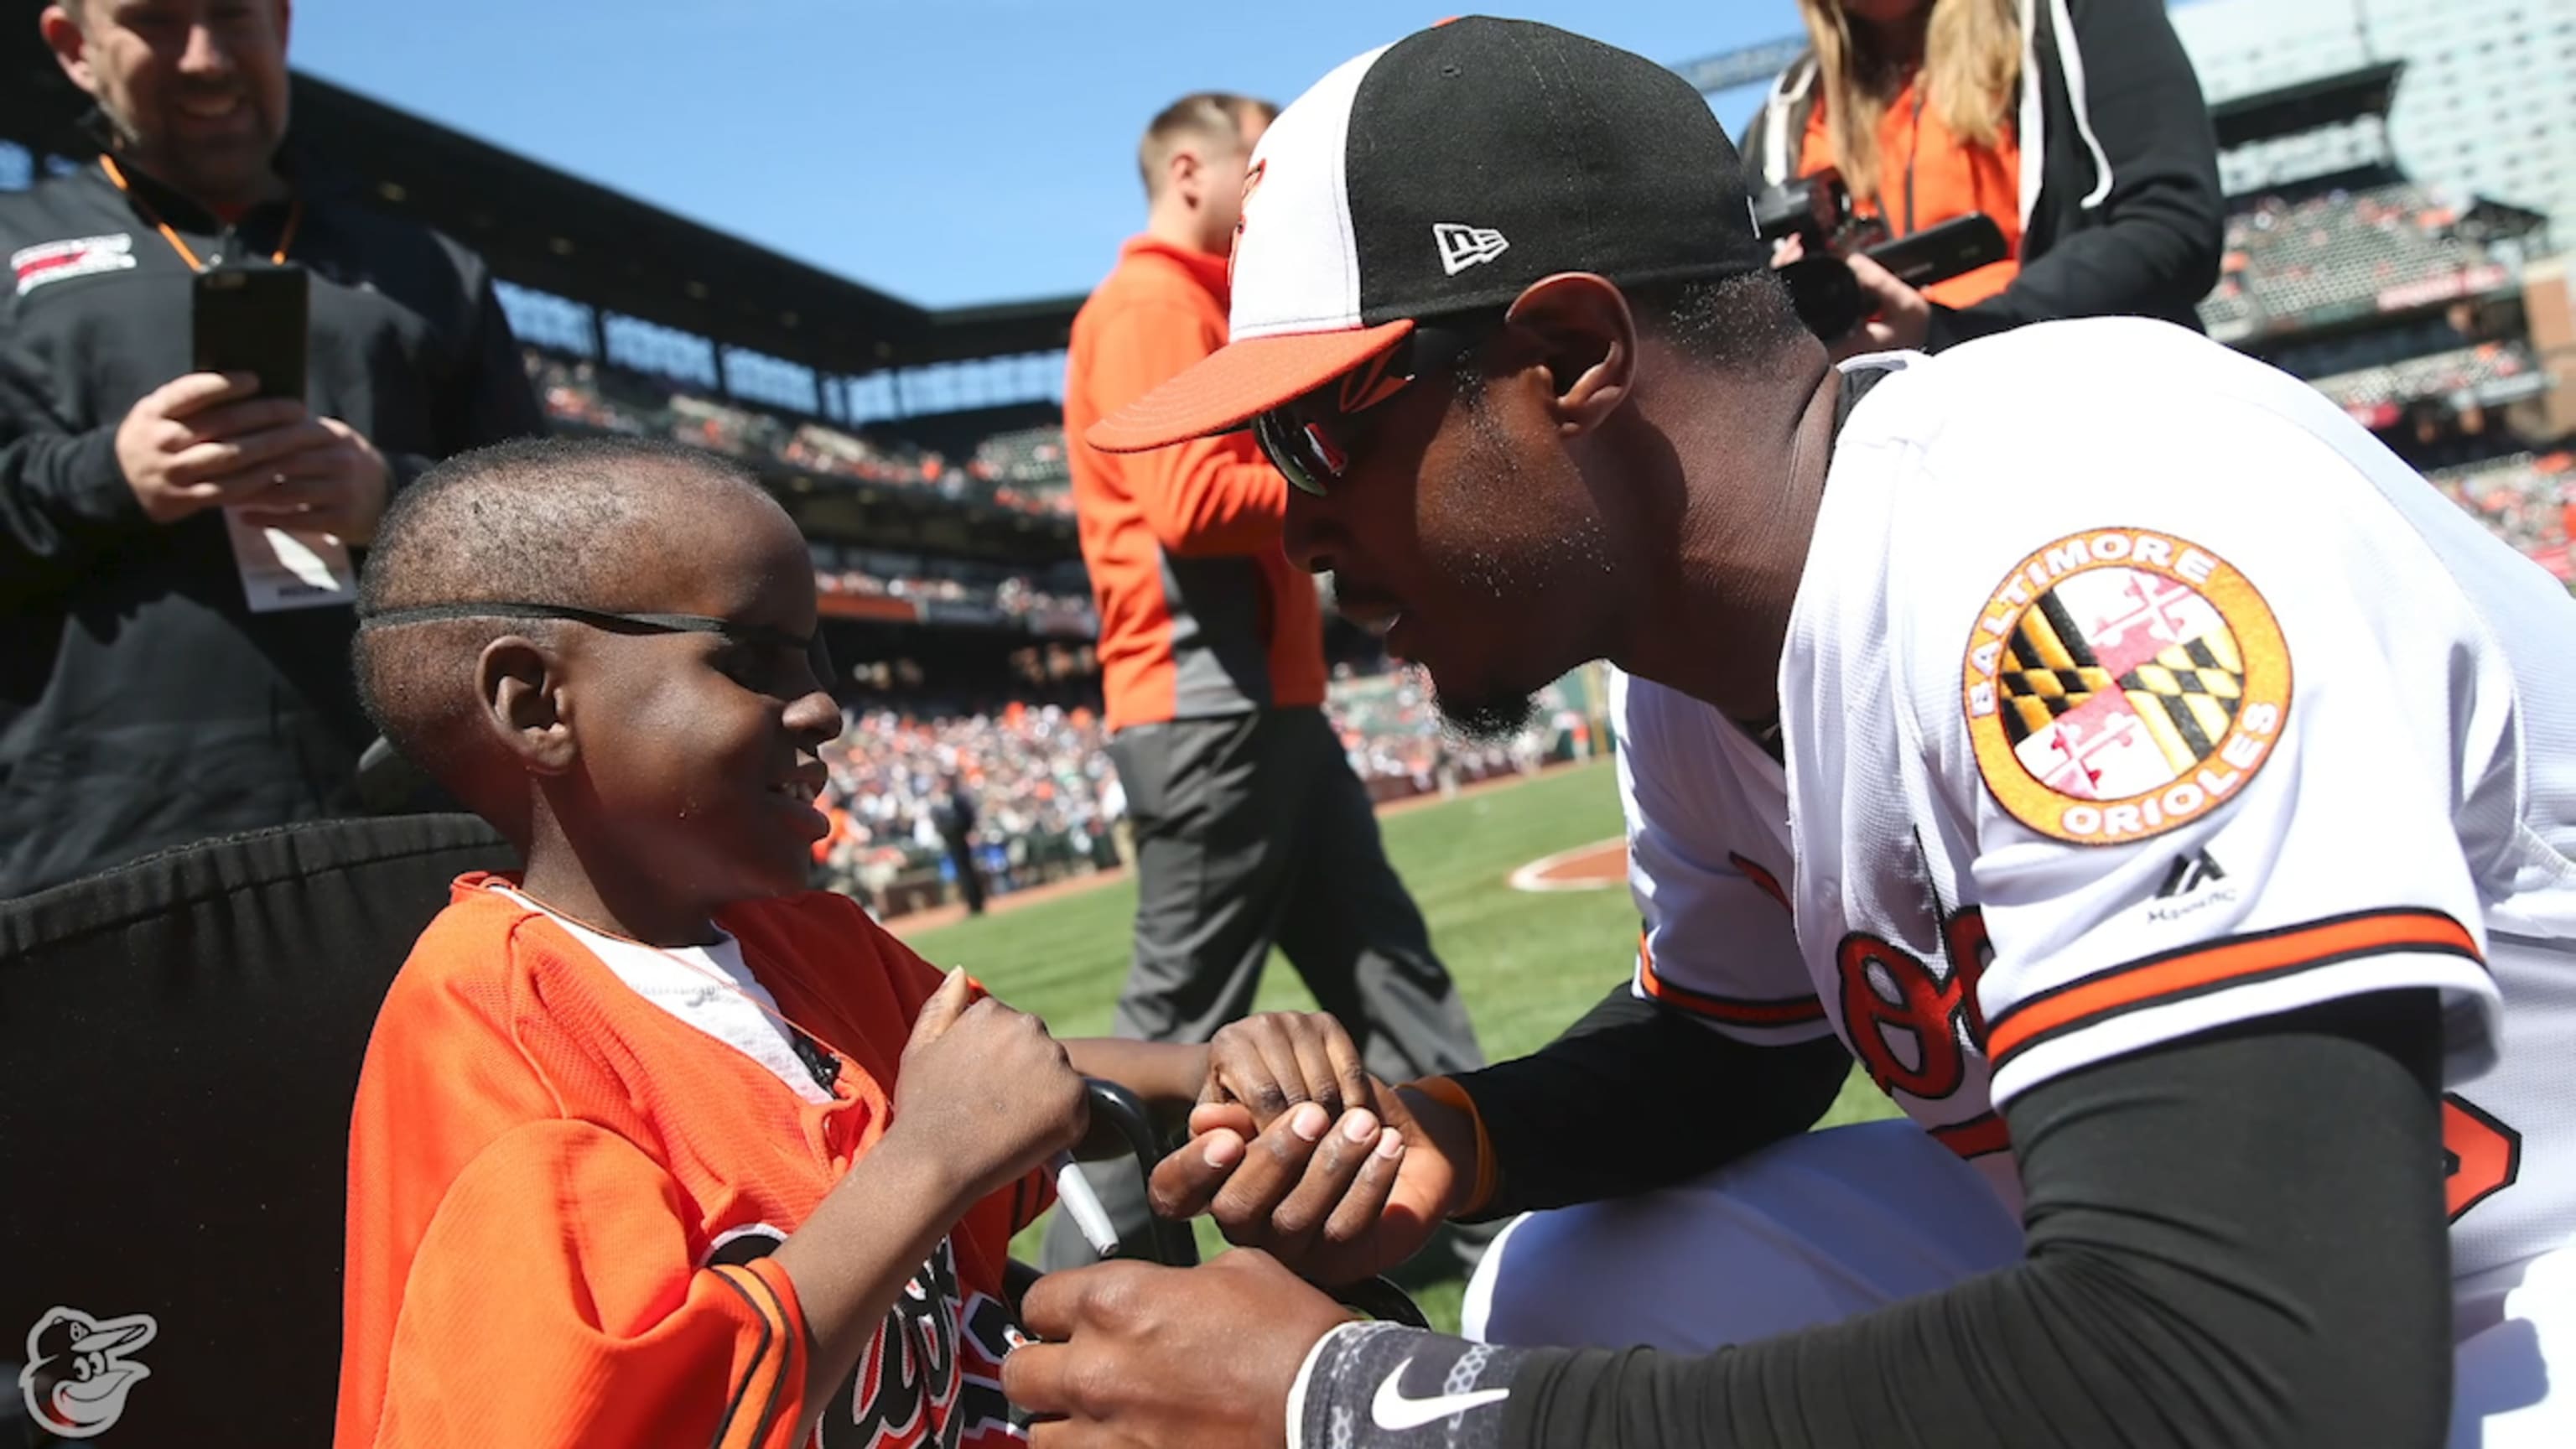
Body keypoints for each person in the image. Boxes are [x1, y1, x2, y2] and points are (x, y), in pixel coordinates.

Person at [996, 18, 2574, 1449]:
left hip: (2513, 1264)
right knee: (1578, 1275)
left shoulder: (2074, 544)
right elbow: (1729, 1048)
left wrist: (1356, 1404)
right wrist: (1446, 1135)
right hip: (2318, 1248)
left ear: (1567, 359)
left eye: (1323, 426)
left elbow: (2259, 1367)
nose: (1291, 518)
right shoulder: (1697, 649)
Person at [333, 435, 1379, 1448]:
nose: (825, 707)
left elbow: (1005, 1088)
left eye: (816, 659)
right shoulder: (493, 1035)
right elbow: (609, 1416)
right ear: (535, 705)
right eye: (752, 661)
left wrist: (1213, 1070)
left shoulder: (807, 942)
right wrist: (926, 1164)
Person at [1050, 91, 1484, 1269]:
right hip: (1207, 709)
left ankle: (1479, 1199)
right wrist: (1335, 478)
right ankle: (1070, 1286)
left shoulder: (1198, 302)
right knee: (1174, 1024)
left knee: (1388, 968)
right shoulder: (1147, 303)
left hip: (1257, 706)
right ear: (1190, 172)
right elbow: (1187, 504)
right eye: (1258, 163)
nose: (1272, 187)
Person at [0, 0, 543, 896]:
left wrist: (393, 501)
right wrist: (106, 475)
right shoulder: (14, 250)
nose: (206, 57)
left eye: (233, 17)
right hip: (93, 845)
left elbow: (554, 541)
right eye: (156, 20)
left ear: (283, 28)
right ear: (74, 45)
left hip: (410, 831)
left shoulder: (427, 271)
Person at [1743, 0, 2222, 356]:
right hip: (1897, 442)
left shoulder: (2069, 16)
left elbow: (2171, 224)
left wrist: (1950, 333)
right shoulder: (1784, 118)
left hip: (2098, 397)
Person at [937, 772, 986, 915]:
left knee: (967, 873)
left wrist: (968, 832)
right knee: (965, 873)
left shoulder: (957, 799)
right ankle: (974, 903)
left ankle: (976, 903)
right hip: (955, 842)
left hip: (960, 841)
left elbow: (967, 818)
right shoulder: (950, 799)